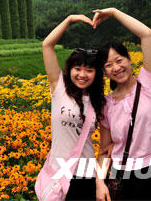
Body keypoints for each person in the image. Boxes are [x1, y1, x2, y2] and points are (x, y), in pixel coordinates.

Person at [93, 8, 151, 201]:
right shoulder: (106, 105)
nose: (116, 67)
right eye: (108, 65)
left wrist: (114, 12)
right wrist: (99, 183)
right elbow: (104, 150)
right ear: (105, 72)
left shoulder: (150, 82)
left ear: (129, 59)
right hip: (124, 176)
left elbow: (146, 34)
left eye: (119, 60)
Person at [39, 14, 106, 200]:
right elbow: (47, 45)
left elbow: (107, 145)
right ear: (70, 70)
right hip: (58, 170)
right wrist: (69, 20)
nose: (82, 74)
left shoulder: (100, 101)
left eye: (89, 70)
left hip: (85, 172)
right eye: (78, 68)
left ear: (96, 74)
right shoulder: (59, 88)